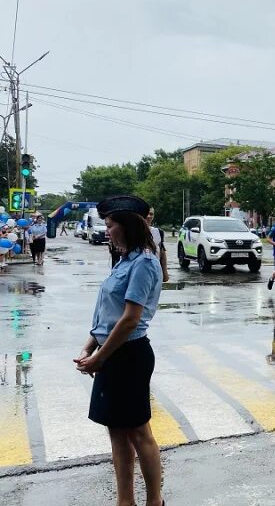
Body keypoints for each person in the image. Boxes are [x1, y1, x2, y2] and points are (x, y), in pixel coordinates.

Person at [72, 195, 165, 506]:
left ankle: (155, 501)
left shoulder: (145, 263)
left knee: (139, 433)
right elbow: (107, 313)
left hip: (129, 354)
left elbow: (129, 320)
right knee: (117, 431)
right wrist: (90, 346)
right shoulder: (124, 260)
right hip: (111, 352)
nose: (106, 230)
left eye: (110, 225)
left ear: (127, 226)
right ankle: (125, 501)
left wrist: (100, 356)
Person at [145, 207, 169, 283]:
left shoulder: (158, 232)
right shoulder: (131, 232)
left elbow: (162, 252)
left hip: (155, 271)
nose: (148, 216)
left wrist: (165, 273)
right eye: (146, 214)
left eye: (151, 214)